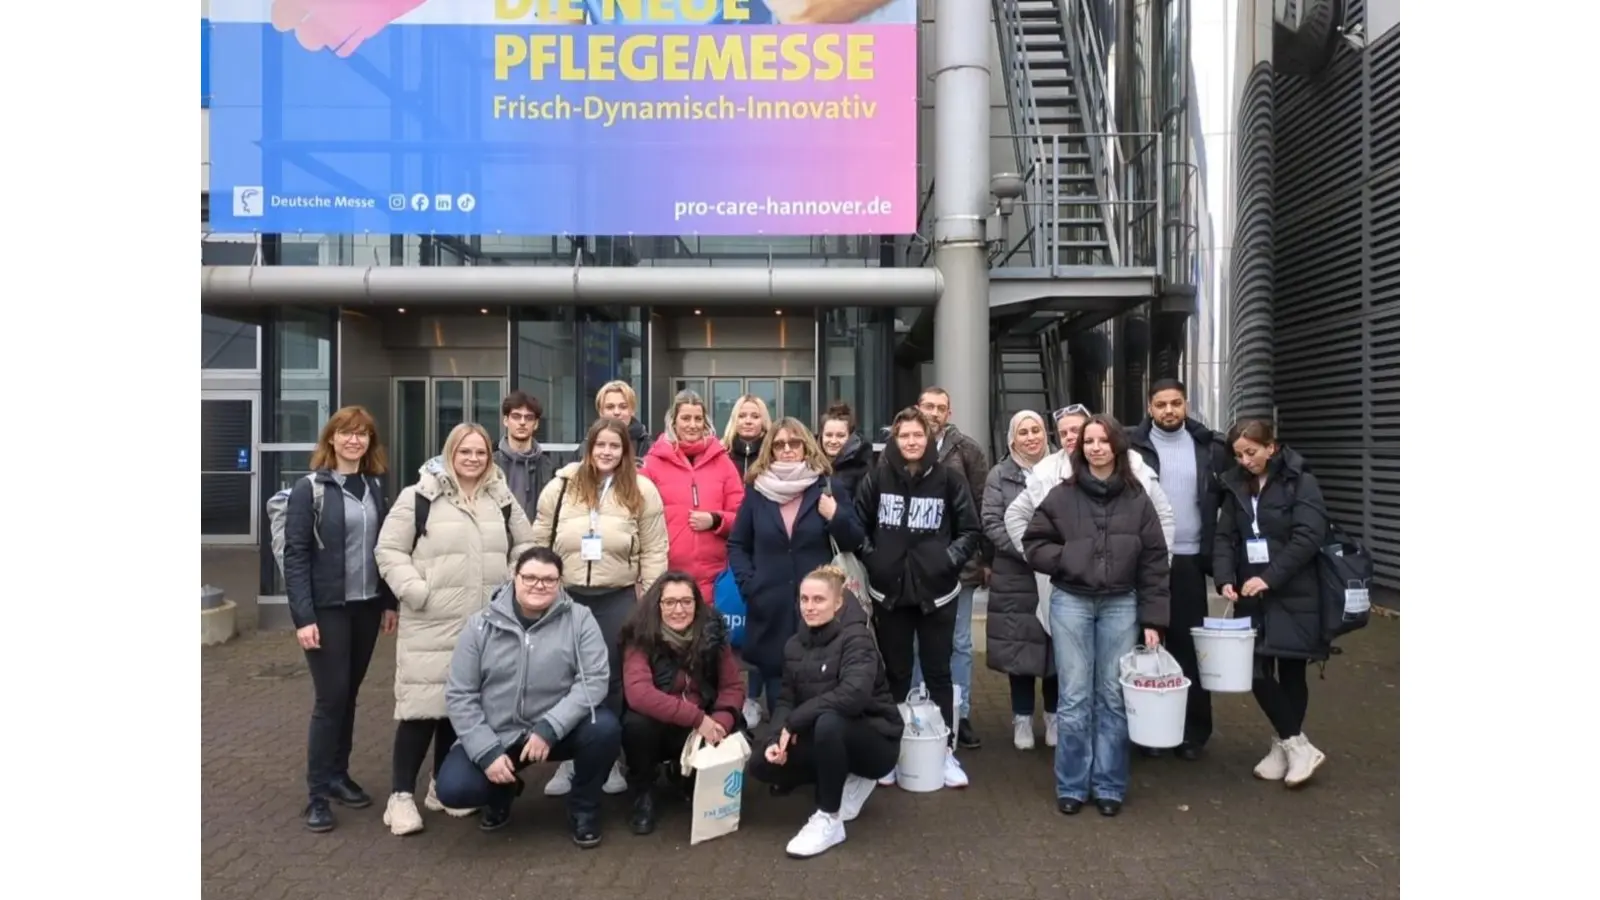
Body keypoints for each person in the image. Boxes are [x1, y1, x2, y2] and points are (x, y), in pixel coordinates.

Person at [372, 422, 536, 835]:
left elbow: (527, 545)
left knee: (459, 709)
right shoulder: (419, 496)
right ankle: (400, 797)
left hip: (485, 624)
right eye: (465, 452)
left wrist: (511, 585)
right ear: (450, 453)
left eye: (480, 453)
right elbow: (389, 549)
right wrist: (416, 591)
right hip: (432, 621)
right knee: (421, 709)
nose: (473, 459)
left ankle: (439, 786)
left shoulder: (500, 498)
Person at [1020, 415, 1171, 817]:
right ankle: (1071, 784)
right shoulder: (1062, 495)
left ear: (1117, 445)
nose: (1096, 447)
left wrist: (1154, 619)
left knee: (1112, 696)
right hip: (1071, 601)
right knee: (1074, 696)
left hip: (1121, 604)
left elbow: (1155, 561)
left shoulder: (1137, 499)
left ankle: (1108, 785)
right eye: (1089, 441)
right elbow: (1034, 543)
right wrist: (1070, 558)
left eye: (1103, 440)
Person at [434, 548, 621, 847]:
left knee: (605, 728)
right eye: (530, 577)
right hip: (499, 733)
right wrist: (486, 752)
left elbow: (594, 680)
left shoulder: (580, 619)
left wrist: (550, 727)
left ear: (560, 582)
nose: (539, 585)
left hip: (558, 731)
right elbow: (460, 695)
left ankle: (584, 807)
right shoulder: (479, 625)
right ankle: (502, 791)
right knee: (455, 790)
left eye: (548, 579)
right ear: (515, 577)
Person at [531, 416, 669, 796]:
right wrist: (537, 588)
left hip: (617, 597)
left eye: (615, 445)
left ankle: (606, 761)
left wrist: (650, 598)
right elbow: (538, 539)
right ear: (589, 448)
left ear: (626, 450)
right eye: (600, 445)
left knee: (610, 680)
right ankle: (569, 758)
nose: (607, 452)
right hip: (566, 596)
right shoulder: (560, 486)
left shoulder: (642, 489)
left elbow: (655, 548)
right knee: (564, 676)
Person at [284, 405, 399, 833]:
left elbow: (385, 549)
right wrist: (303, 617)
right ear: (331, 438)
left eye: (362, 434)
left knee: (349, 695)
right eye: (346, 433)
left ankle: (337, 775)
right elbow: (295, 556)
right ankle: (316, 796)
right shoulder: (309, 489)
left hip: (365, 607)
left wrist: (389, 601)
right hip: (327, 609)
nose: (354, 440)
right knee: (330, 699)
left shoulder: (374, 486)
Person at [853, 407, 981, 788]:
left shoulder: (949, 479)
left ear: (928, 439)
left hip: (937, 594)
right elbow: (858, 527)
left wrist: (947, 561)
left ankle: (944, 752)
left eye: (917, 435)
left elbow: (970, 530)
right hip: (889, 593)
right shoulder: (876, 478)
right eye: (904, 435)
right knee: (895, 673)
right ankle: (892, 753)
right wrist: (876, 560)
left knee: (938, 673)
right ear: (895, 438)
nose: (911, 442)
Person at [748, 566, 904, 859]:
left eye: (819, 599)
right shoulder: (793, 645)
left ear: (838, 603)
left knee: (828, 723)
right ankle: (838, 775)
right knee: (760, 764)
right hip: (825, 733)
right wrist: (775, 739)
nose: (809, 607)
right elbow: (785, 699)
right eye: (804, 599)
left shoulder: (857, 638)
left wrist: (795, 722)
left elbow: (853, 696)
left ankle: (829, 818)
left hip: (876, 740)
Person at [1213, 418, 1331, 788]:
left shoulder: (1301, 482)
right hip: (1250, 593)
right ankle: (1297, 745)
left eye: (1251, 452)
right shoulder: (1235, 484)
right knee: (1255, 670)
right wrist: (1224, 578)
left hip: (1294, 591)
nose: (1245, 461)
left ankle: (1285, 747)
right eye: (1238, 455)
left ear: (1271, 447)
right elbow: (1224, 536)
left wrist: (1270, 577)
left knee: (1292, 671)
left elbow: (1308, 536)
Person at [726, 418, 865, 727]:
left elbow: (855, 540)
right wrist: (750, 585)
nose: (787, 449)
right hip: (770, 609)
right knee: (779, 700)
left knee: (821, 697)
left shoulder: (827, 487)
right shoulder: (757, 491)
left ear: (806, 446)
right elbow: (737, 544)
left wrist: (835, 515)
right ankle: (781, 749)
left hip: (819, 612)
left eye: (794, 443)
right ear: (770, 450)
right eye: (779, 444)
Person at [1127, 379, 1232, 760]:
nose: (1169, 410)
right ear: (1149, 407)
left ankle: (1193, 732)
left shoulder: (1210, 447)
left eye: (1175, 403)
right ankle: (1147, 732)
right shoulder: (1131, 446)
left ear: (1186, 404)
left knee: (1188, 648)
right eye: (1161, 404)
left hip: (1189, 559)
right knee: (1145, 647)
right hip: (1143, 561)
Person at [618, 572, 747, 835]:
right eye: (670, 602)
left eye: (687, 602)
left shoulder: (714, 635)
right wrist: (697, 719)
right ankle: (643, 792)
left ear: (697, 604)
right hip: (662, 724)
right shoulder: (640, 637)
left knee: (733, 724)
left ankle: (688, 775)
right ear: (657, 605)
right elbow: (639, 693)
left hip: (703, 723)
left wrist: (720, 722)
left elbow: (732, 687)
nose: (679, 610)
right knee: (636, 724)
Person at [912, 387, 990, 750]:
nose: (933, 413)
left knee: (959, 643)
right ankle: (914, 710)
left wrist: (983, 558)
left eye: (940, 408)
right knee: (916, 642)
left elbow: (980, 507)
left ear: (949, 413)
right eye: (928, 406)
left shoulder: (968, 451)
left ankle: (961, 713)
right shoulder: (902, 446)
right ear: (917, 408)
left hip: (959, 566)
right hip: (913, 568)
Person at [980, 410, 1059, 752]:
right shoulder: (999, 475)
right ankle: (1022, 717)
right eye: (1023, 432)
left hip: (1056, 572)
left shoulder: (1061, 468)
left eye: (1036, 430)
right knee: (1020, 649)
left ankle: (1054, 716)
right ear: (1012, 440)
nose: (1031, 438)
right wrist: (1029, 551)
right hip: (1015, 574)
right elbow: (991, 521)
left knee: (1056, 648)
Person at [641, 390, 746, 604]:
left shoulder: (723, 462)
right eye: (686, 418)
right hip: (668, 579)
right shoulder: (652, 463)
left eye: (698, 419)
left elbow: (742, 518)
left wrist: (716, 520)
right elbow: (639, 518)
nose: (692, 425)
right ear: (673, 421)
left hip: (715, 580)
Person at [494, 390, 555, 526]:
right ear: (506, 420)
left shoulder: (548, 467)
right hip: (500, 536)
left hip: (537, 535)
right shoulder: (491, 464)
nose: (522, 422)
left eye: (528, 418)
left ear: (536, 424)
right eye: (516, 416)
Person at [818, 401, 871, 498]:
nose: (833, 441)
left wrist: (835, 507)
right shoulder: (810, 465)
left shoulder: (862, 468)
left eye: (840, 436)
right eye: (828, 435)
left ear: (850, 437)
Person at [596, 379, 654, 457]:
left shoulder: (649, 448)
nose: (616, 412)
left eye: (623, 407)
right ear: (601, 412)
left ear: (632, 410)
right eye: (610, 407)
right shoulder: (587, 446)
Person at [722, 393, 772, 480]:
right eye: (741, 416)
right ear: (734, 420)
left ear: (763, 421)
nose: (748, 421)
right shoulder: (721, 453)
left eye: (755, 417)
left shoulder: (773, 453)